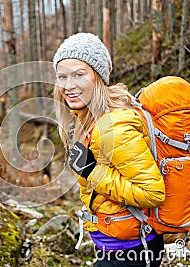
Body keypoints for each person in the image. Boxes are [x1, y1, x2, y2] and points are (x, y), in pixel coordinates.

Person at [53, 32, 166, 267]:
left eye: (79, 75)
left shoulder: (113, 126)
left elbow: (153, 193)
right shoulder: (87, 120)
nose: (68, 86)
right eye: (62, 76)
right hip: (112, 245)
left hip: (133, 251)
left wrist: (93, 172)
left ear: (99, 77)